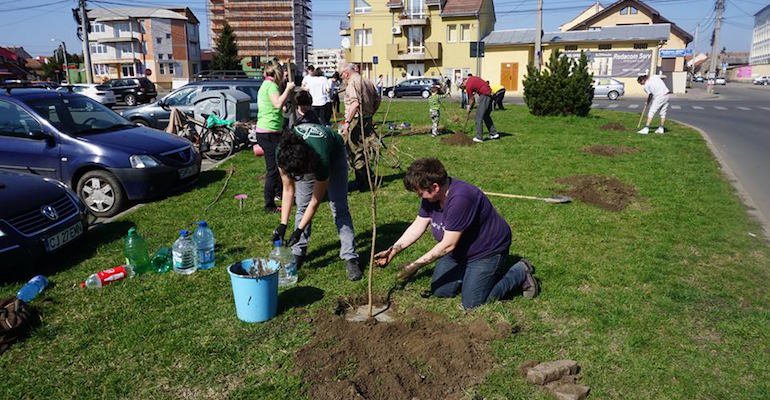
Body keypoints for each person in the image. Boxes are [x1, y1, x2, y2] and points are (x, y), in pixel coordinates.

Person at [374, 158, 539, 309]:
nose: (419, 196)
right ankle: (471, 274)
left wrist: (415, 266)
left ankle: (519, 272)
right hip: (460, 249)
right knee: (441, 291)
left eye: (419, 192)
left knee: (473, 303)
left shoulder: (461, 198)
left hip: (486, 250)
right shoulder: (431, 197)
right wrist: (393, 250)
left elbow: (447, 245)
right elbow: (419, 224)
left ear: (435, 187)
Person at [272, 123, 363, 281]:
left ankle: (350, 257)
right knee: (302, 205)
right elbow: (288, 190)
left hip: (334, 154)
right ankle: (298, 253)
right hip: (304, 156)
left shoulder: (321, 160)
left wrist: (299, 230)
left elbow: (315, 201)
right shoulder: (282, 154)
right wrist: (283, 224)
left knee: (338, 206)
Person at [254, 65, 296, 213]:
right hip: (269, 132)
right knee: (273, 169)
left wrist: (283, 105)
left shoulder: (265, 85)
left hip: (269, 131)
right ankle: (269, 204)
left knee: (280, 165)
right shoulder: (271, 86)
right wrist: (288, 89)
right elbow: (277, 104)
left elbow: (275, 105)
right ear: (277, 74)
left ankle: (280, 193)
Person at [340, 62, 380, 192]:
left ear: (346, 73)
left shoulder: (352, 83)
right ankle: (368, 177)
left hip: (356, 120)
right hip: (367, 118)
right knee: (365, 149)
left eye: (342, 76)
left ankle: (362, 182)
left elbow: (355, 104)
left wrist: (347, 122)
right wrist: (371, 113)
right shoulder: (367, 81)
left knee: (355, 150)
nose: (342, 78)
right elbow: (378, 99)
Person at [465, 74, 499, 143]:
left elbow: (472, 99)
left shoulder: (468, 86)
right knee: (486, 116)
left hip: (485, 95)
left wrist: (469, 107)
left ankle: (479, 137)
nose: (463, 89)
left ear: (463, 83)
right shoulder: (472, 78)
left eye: (462, 87)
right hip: (490, 94)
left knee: (478, 116)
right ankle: (494, 134)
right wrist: (471, 106)